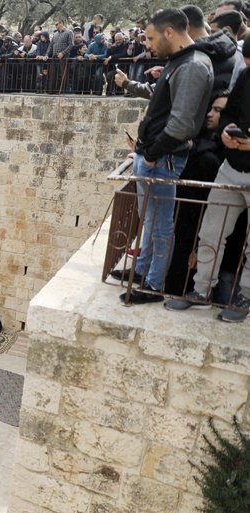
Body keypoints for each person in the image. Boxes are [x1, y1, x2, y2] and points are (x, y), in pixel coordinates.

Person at [114, 8, 214, 304]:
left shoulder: (193, 65)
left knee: (160, 226)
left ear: (169, 32)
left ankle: (154, 285)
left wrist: (153, 154)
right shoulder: (179, 62)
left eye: (150, 37)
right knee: (151, 221)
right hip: (154, 156)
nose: (147, 44)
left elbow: (182, 124)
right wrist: (128, 85)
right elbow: (159, 95)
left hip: (163, 159)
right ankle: (143, 271)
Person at [165, 44, 250, 319]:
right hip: (231, 167)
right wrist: (226, 130)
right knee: (211, 232)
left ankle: (245, 297)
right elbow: (230, 111)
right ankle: (201, 290)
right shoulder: (246, 77)